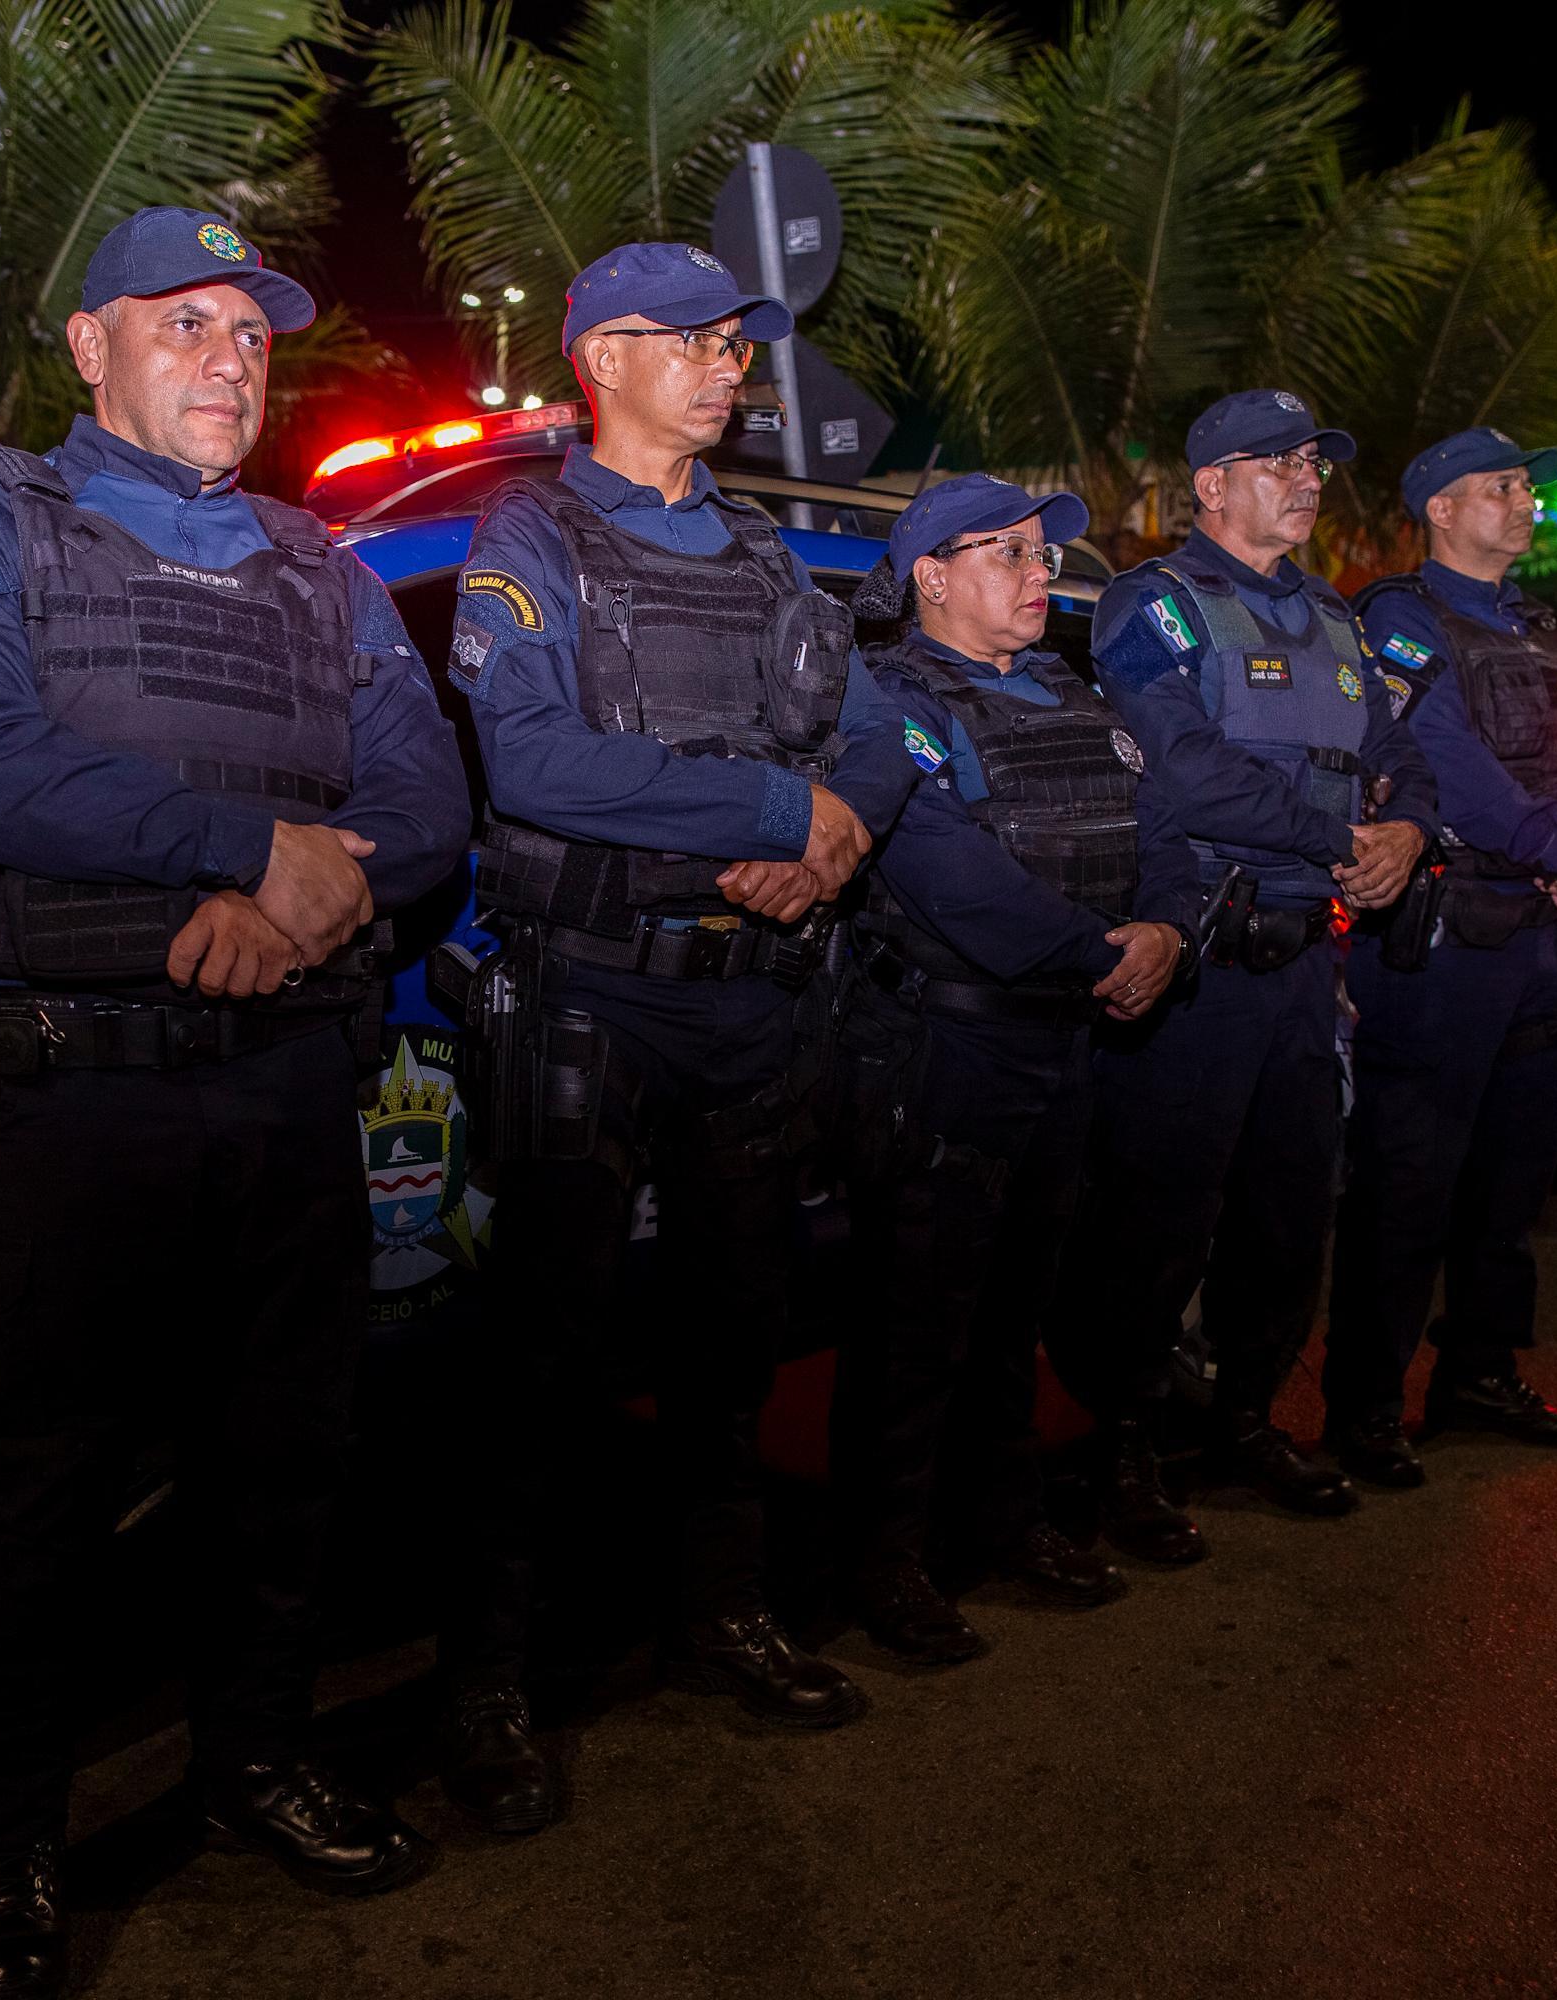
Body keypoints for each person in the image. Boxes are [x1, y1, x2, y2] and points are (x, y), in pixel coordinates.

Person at [0, 207, 468, 2000]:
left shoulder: (324, 566)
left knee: (281, 1474)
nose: (229, 358)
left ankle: (255, 1761)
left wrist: (299, 889)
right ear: (89, 346)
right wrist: (244, 850)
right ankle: (10, 1858)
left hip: (286, 1088)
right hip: (72, 1103)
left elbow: (427, 799)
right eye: (184, 323)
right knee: (32, 1500)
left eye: (252, 334)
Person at [435, 241, 914, 1830]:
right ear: (604, 357)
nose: (729, 368)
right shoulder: (534, 529)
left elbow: (869, 727)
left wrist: (836, 820)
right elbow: (538, 764)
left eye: (735, 344)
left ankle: (723, 1618)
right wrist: (783, 804)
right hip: (596, 982)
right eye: (698, 343)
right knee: (543, 1360)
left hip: (753, 997)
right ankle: (492, 1682)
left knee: (731, 1340)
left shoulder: (769, 553)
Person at [1048, 390, 1438, 1538]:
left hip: (1305, 968)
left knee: (1286, 1213)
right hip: (1202, 961)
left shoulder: (1330, 615)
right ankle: (1120, 1445)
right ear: (1211, 485)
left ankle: (1247, 1417)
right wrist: (1342, 837)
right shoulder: (1153, 604)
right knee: (1159, 1217)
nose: (1307, 478)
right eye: (1277, 461)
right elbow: (1182, 769)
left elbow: (1398, 750)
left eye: (1315, 459)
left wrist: (1408, 829)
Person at [826, 474, 1200, 1668]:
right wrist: (1110, 952)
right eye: (1012, 553)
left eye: (1045, 555)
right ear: (931, 574)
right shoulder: (886, 702)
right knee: (914, 1321)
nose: (1043, 575)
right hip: (954, 1041)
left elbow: (1169, 837)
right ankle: (885, 1560)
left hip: (1067, 1041)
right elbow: (947, 876)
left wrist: (1171, 930)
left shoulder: (1074, 696)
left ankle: (1005, 1520)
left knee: (1016, 1313)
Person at [1323, 427, 1557, 1489]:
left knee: (1511, 1182)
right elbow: (1446, 760)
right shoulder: (1400, 618)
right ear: (1441, 509)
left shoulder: (1540, 630)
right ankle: (1363, 1405)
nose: (1523, 500)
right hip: (1448, 941)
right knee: (1409, 1184)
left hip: (1541, 938)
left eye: (1525, 486)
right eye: (1500, 486)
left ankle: (1479, 1373)